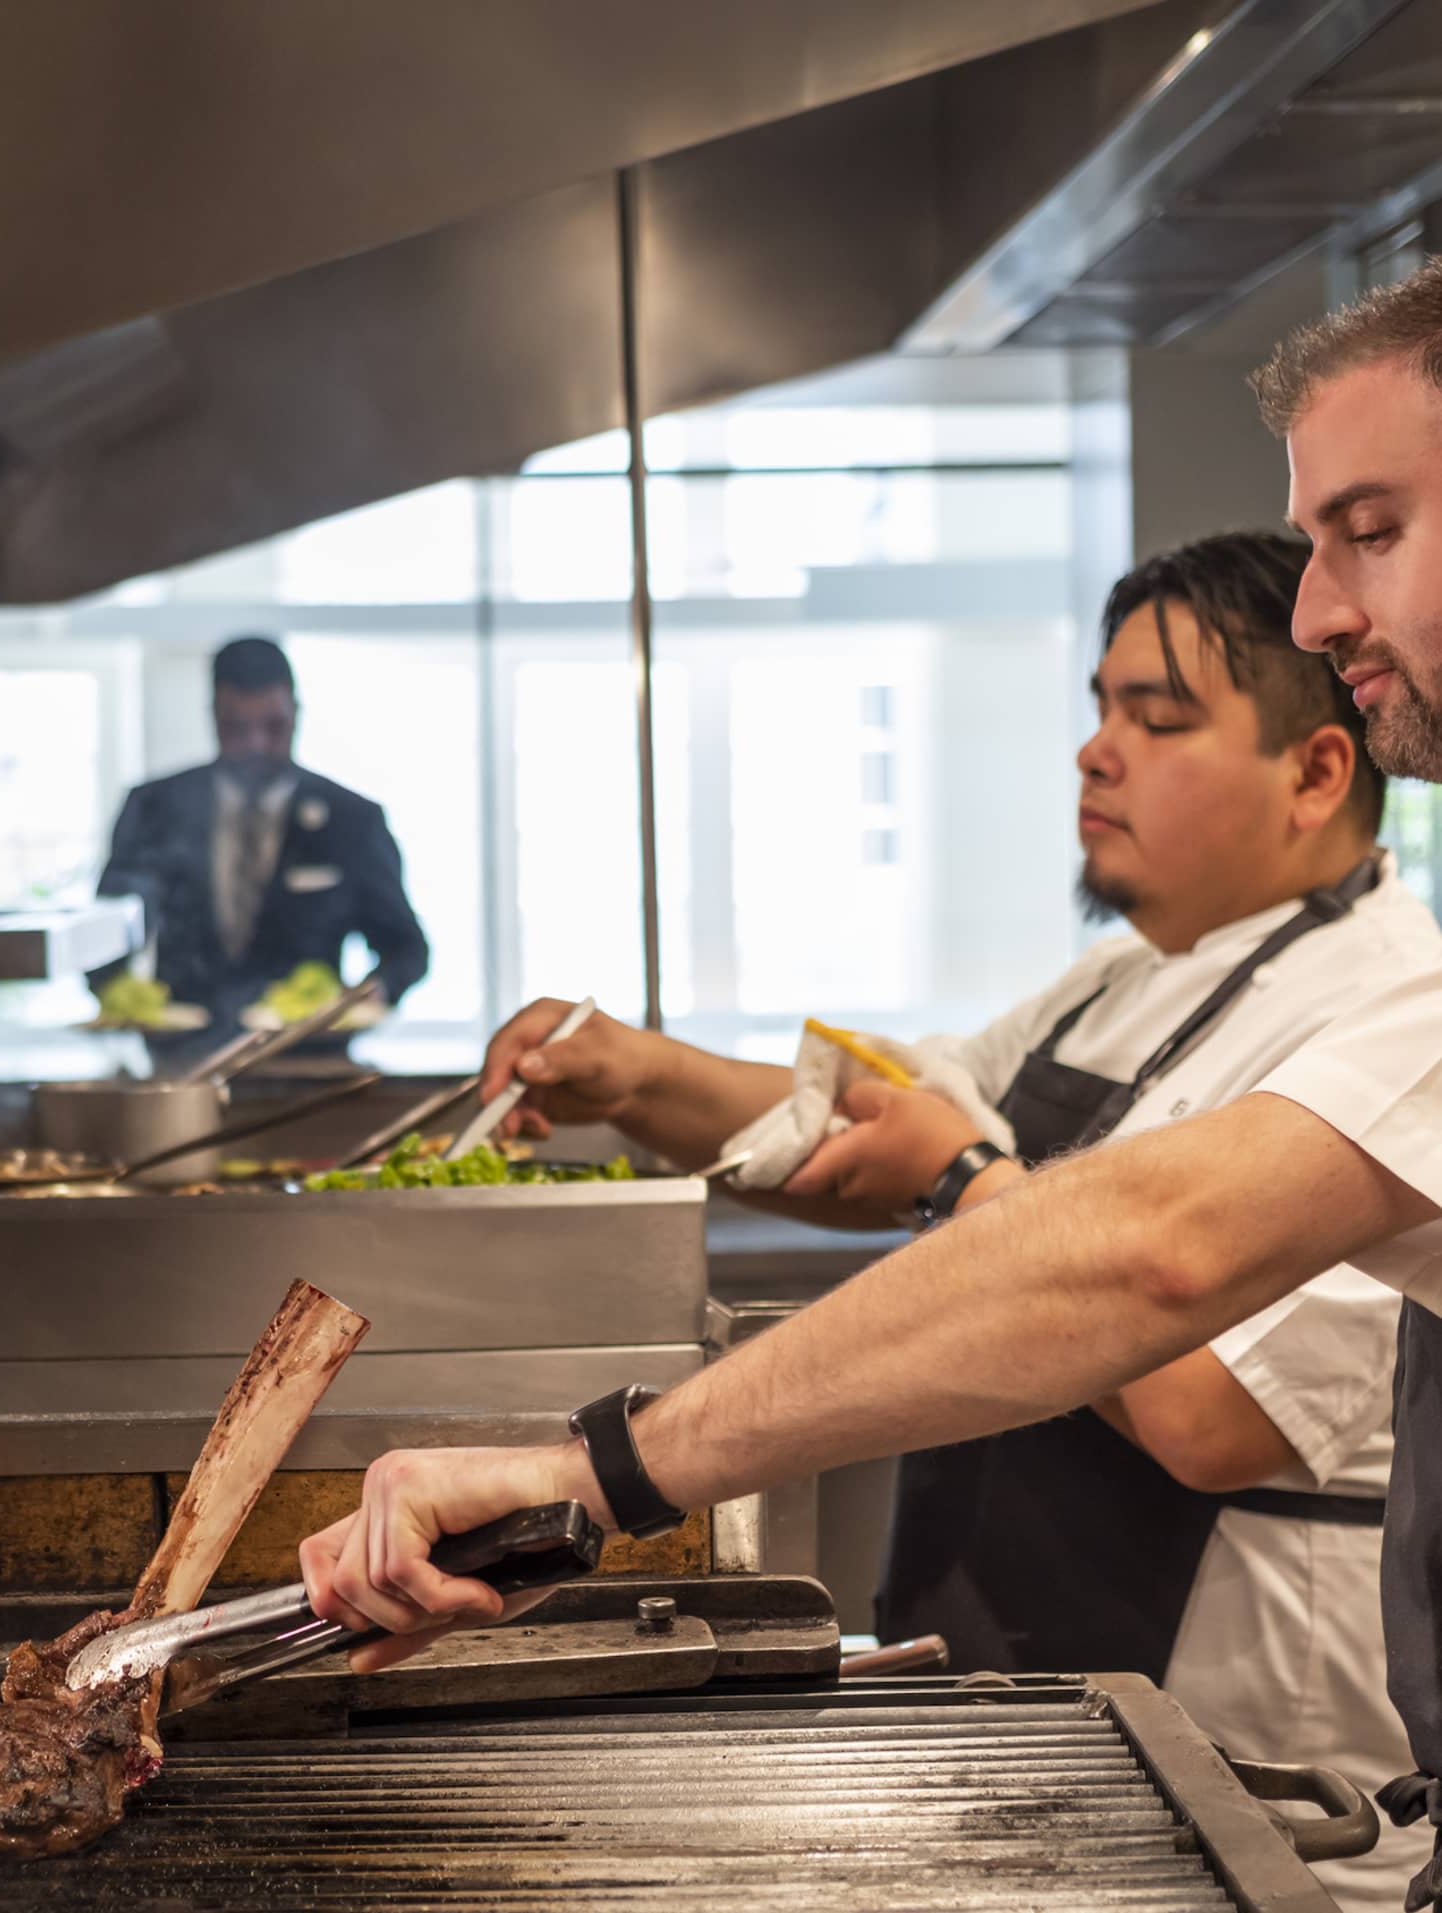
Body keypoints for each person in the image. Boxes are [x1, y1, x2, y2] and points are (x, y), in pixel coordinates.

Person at [301, 264, 1442, 1913]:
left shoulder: (1391, 984)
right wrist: (634, 1071)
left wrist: (598, 1469)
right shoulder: (1130, 972)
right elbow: (879, 1116)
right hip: (1079, 1662)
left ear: (1314, 776)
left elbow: (1154, 1283)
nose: (1330, 614)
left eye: (1375, 527)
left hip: (1244, 1695)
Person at [96, 636, 429, 1028]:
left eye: (273, 727)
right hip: (181, 1059)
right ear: (214, 717)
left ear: (297, 714)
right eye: (237, 728)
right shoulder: (154, 807)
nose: (256, 744)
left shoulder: (351, 819)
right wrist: (123, 999)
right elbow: (106, 934)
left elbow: (406, 948)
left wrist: (372, 992)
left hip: (309, 1053)